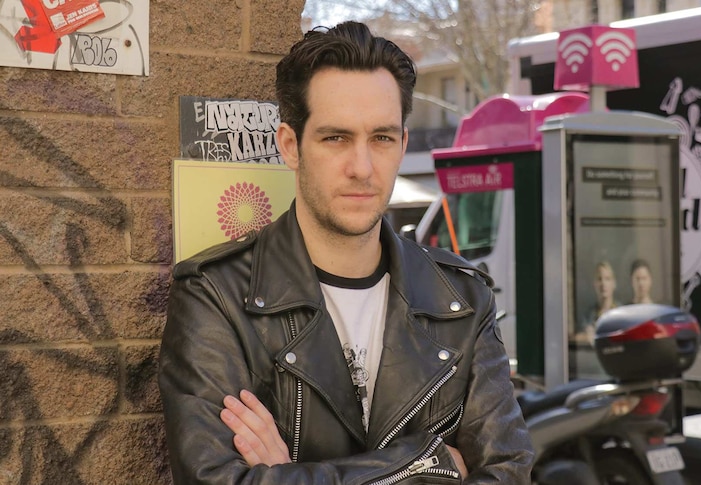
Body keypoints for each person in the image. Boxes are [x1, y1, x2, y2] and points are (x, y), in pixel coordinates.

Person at [158, 21, 534, 484]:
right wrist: (428, 462)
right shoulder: (217, 295)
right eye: (335, 138)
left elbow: (509, 472)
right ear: (290, 146)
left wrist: (289, 475)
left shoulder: (463, 301)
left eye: (381, 138)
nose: (362, 168)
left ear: (402, 143)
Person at [575, 261, 621, 344]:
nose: (603, 284)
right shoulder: (588, 316)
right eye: (599, 279)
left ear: (614, 283)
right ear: (595, 284)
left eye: (607, 279)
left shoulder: (622, 312)